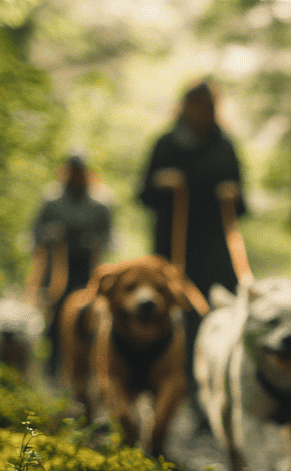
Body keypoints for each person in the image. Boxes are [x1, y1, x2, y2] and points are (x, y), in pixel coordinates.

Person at [137, 80, 248, 300]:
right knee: (172, 298)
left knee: (220, 298)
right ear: (184, 106)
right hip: (172, 242)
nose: (201, 111)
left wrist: (233, 194)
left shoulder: (224, 147)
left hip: (214, 247)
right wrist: (160, 183)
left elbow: (241, 205)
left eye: (207, 105)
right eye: (196, 104)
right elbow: (143, 195)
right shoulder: (165, 144)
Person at [25, 153, 113, 379]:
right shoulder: (51, 199)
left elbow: (109, 237)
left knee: (87, 316)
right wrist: (51, 234)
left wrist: (92, 241)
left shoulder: (100, 203)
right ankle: (52, 371)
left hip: (87, 267)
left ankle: (88, 370)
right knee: (55, 316)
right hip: (56, 267)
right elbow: (35, 233)